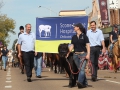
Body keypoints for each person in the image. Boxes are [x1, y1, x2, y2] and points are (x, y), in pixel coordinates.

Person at [68, 23, 90, 88]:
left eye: (75, 27)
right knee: (80, 69)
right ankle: (85, 83)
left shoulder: (84, 36)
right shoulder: (73, 37)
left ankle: (79, 82)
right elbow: (72, 46)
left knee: (82, 69)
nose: (74, 28)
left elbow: (88, 46)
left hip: (83, 54)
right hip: (76, 55)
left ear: (78, 28)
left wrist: (88, 54)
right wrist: (68, 52)